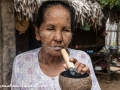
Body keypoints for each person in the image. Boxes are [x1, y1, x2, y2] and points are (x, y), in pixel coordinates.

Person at [11, 1, 101, 90]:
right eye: (50, 29)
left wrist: (84, 83)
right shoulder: (21, 63)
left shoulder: (82, 59)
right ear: (37, 32)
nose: (58, 38)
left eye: (65, 30)